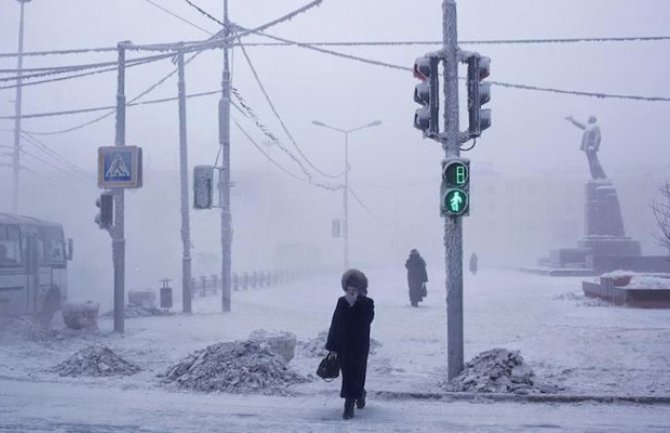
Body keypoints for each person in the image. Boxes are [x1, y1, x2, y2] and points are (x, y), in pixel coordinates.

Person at [326, 269, 375, 420]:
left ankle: (350, 404)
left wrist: (355, 305)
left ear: (361, 289)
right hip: (343, 345)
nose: (351, 291)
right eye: (349, 289)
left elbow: (366, 321)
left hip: (359, 345)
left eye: (354, 289)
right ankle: (355, 396)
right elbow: (335, 323)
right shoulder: (341, 302)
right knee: (348, 374)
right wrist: (332, 345)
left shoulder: (367, 303)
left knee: (357, 372)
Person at [565, 115, 607, 180]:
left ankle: (602, 176)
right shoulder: (588, 127)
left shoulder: (595, 126)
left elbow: (598, 136)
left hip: (591, 147)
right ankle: (594, 176)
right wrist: (573, 120)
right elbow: (580, 125)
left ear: (593, 119)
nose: (588, 118)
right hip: (587, 148)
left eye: (590, 118)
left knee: (594, 162)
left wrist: (595, 146)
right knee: (591, 163)